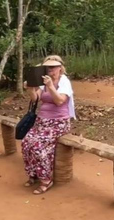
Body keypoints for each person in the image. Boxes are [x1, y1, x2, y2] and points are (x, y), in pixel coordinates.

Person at [22, 55, 75, 195]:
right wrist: (30, 89)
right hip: (42, 121)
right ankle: (33, 174)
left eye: (53, 67)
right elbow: (36, 99)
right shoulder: (43, 80)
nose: (50, 69)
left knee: (39, 146)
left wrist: (50, 86)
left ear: (60, 68)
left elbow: (59, 101)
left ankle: (46, 180)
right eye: (48, 67)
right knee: (27, 142)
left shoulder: (64, 81)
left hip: (58, 122)